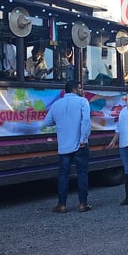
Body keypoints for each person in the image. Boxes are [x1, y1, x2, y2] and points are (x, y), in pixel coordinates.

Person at [42, 80, 92, 213]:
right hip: (80, 144)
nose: (82, 90)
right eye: (80, 88)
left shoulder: (57, 104)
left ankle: (62, 204)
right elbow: (86, 121)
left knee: (63, 174)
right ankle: (83, 203)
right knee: (82, 173)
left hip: (63, 145)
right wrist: (83, 138)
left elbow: (47, 122)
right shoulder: (83, 102)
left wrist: (60, 123)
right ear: (75, 89)